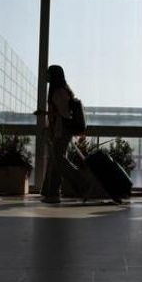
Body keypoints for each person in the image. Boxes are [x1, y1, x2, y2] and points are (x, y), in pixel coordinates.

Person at [35, 65, 87, 204]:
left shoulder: (58, 91)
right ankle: (50, 192)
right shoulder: (62, 89)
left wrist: (47, 114)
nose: (46, 76)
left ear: (54, 75)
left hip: (61, 131)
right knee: (54, 160)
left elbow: (64, 113)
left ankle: (81, 183)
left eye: (48, 73)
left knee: (58, 160)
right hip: (59, 130)